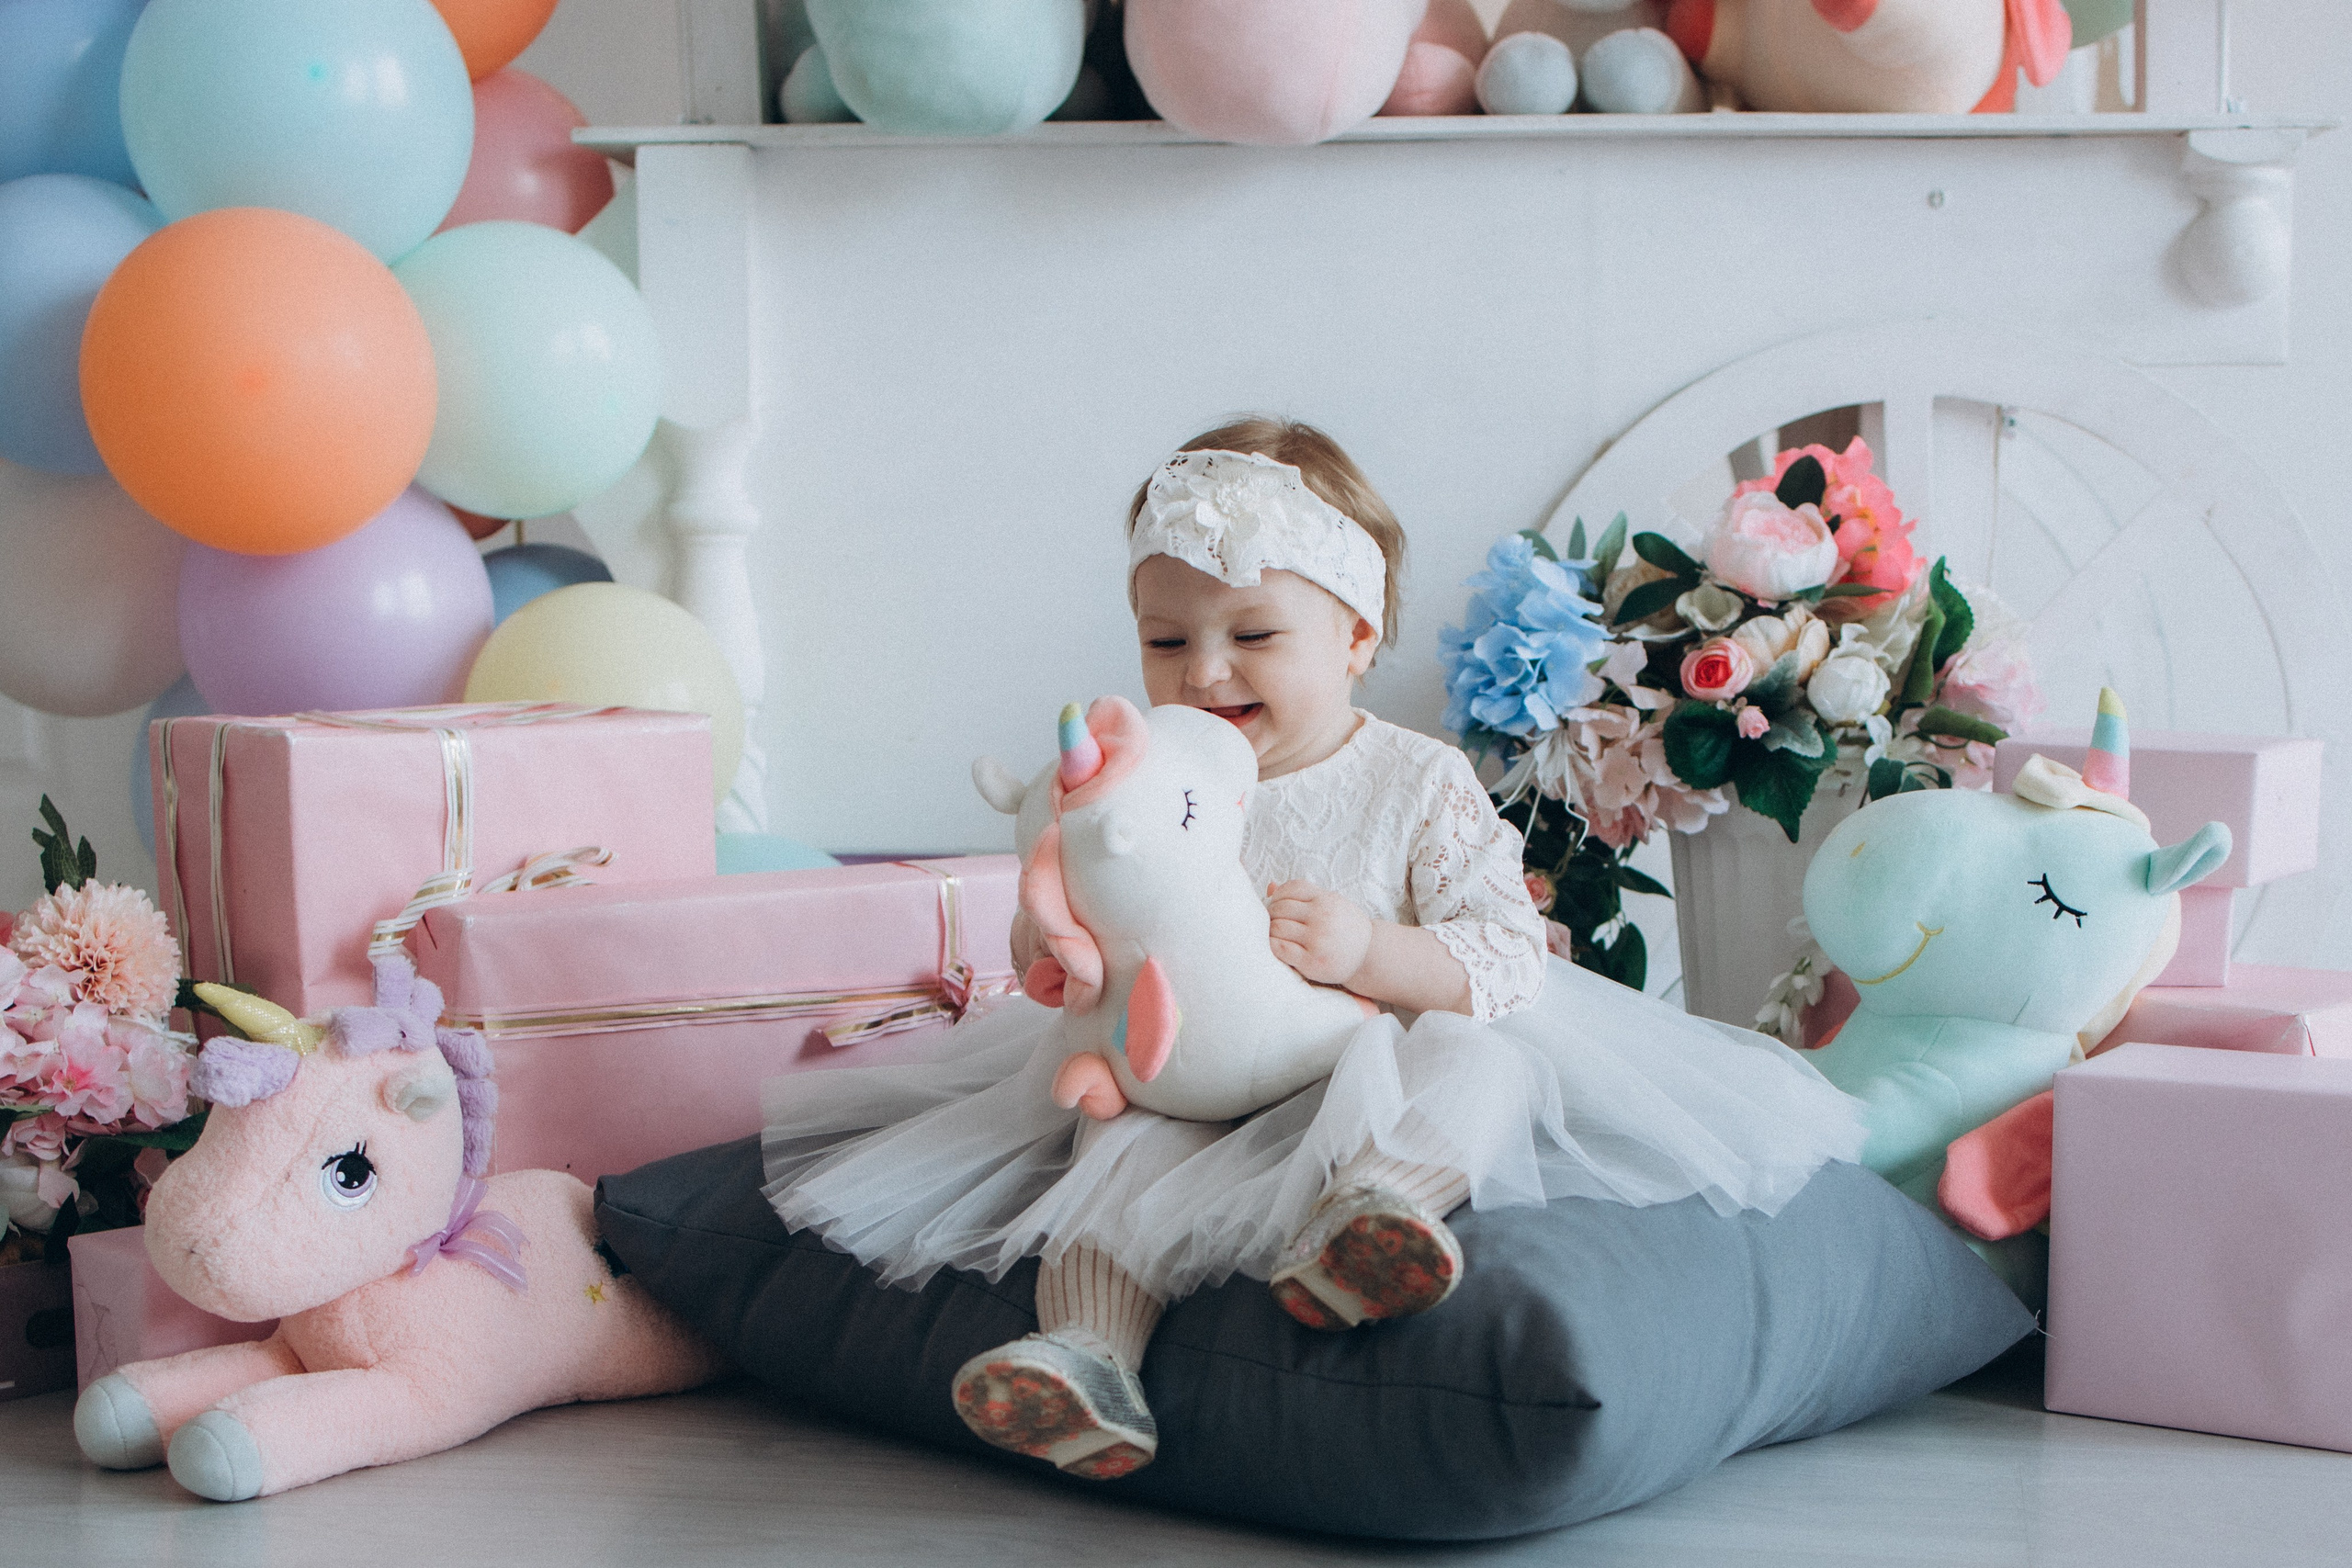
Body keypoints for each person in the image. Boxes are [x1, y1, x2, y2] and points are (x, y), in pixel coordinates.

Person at [761, 417, 1864, 1480]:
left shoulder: (1413, 779)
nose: (1202, 674)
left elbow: (1505, 957)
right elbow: (1079, 893)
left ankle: (1371, 1221)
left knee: (1487, 1063)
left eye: (1251, 637)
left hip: (1360, 1059)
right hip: (1183, 1074)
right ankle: (1086, 1360)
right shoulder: (1150, 776)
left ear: (1354, 638)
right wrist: (1048, 949)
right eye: (1164, 640)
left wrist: (1373, 953)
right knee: (1114, 1150)